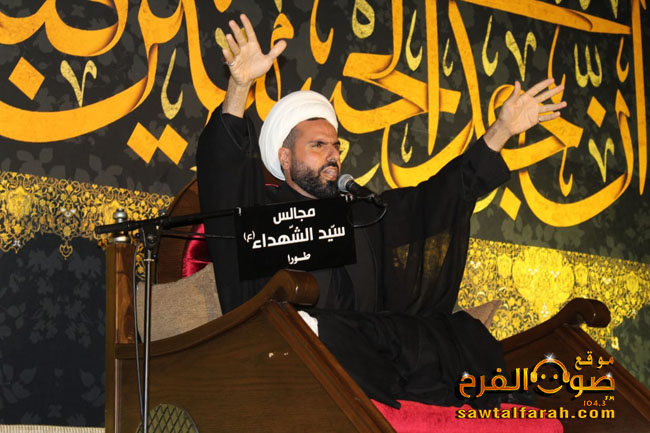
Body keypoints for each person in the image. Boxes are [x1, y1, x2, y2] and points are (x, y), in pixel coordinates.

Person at [196, 14, 566, 408]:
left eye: (336, 146)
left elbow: (435, 200)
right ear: (284, 157)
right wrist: (239, 86)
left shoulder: (360, 213)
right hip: (295, 349)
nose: (333, 155)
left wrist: (501, 131)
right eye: (318, 146)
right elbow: (225, 177)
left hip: (373, 347)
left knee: (458, 333)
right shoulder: (263, 213)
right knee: (327, 332)